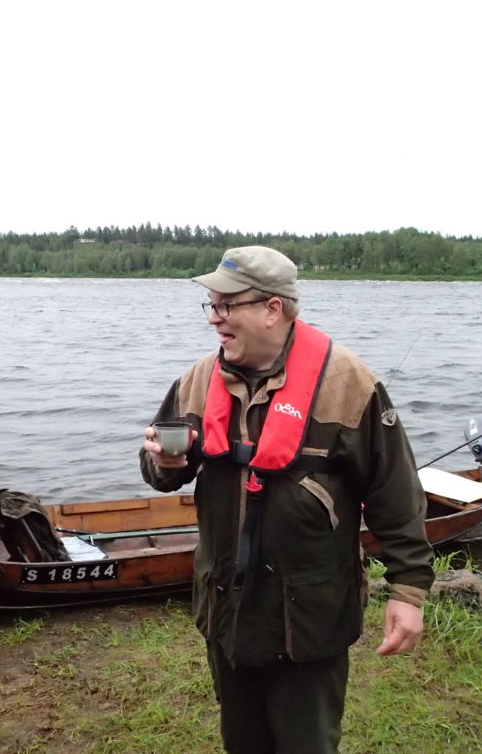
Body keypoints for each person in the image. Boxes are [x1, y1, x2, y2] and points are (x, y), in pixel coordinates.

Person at [140, 246, 434, 754]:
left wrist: (407, 591)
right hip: (225, 608)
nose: (215, 320)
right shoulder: (198, 380)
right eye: (211, 306)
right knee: (243, 741)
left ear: (271, 309)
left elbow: (395, 493)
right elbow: (160, 470)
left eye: (226, 306)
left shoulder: (350, 384)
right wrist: (164, 464)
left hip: (309, 618)